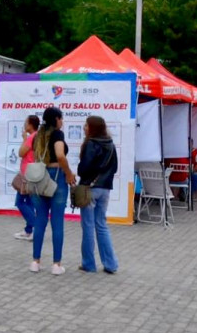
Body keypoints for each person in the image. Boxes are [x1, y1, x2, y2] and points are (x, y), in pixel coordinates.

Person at [29, 106, 75, 275]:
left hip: (39, 178)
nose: (62, 121)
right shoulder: (57, 134)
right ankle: (56, 264)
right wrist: (69, 174)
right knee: (57, 223)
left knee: (40, 219)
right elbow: (60, 155)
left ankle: (35, 262)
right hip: (56, 178)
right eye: (61, 118)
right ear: (56, 119)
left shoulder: (38, 135)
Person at [76, 115, 119, 274]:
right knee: (101, 225)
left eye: (86, 125)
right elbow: (114, 168)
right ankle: (111, 264)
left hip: (90, 189)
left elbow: (83, 169)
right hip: (105, 189)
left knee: (88, 226)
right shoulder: (111, 144)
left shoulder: (91, 144)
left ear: (92, 127)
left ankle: (88, 263)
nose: (84, 128)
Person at [13, 114, 40, 241]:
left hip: (28, 174)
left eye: (26, 122)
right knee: (29, 202)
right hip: (33, 173)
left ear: (30, 125)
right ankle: (29, 230)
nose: (24, 124)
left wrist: (24, 139)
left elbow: (21, 153)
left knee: (20, 202)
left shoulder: (31, 137)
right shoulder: (38, 136)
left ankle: (35, 227)